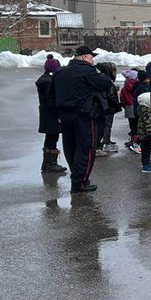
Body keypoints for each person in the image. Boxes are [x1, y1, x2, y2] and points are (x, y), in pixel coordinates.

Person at [52, 46, 114, 193]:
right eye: (91, 57)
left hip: (64, 115)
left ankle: (76, 177)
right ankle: (80, 182)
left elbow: (52, 94)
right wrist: (98, 70)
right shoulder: (89, 72)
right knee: (86, 148)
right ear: (85, 57)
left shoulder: (60, 72)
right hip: (85, 115)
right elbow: (106, 82)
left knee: (70, 147)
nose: (93, 60)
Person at [35, 55, 67, 174]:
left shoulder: (44, 80)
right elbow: (52, 100)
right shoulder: (48, 82)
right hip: (51, 114)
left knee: (51, 137)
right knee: (52, 137)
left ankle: (47, 163)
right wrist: (59, 114)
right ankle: (51, 163)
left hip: (46, 114)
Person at [94, 61, 120, 156]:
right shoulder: (105, 81)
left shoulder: (102, 79)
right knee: (106, 125)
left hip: (106, 106)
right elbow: (110, 96)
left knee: (106, 125)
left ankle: (105, 141)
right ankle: (104, 142)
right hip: (107, 107)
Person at [136, 91, 151, 174]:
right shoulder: (147, 112)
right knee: (146, 149)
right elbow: (148, 123)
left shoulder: (147, 109)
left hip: (145, 134)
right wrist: (150, 133)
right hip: (146, 135)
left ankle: (147, 163)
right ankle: (145, 165)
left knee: (147, 149)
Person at [120, 69, 140, 153]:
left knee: (132, 126)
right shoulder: (138, 87)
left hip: (128, 108)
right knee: (138, 126)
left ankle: (132, 140)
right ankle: (136, 143)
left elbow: (122, 99)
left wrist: (125, 106)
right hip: (136, 107)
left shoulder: (125, 88)